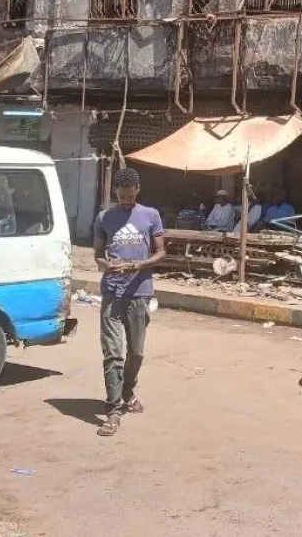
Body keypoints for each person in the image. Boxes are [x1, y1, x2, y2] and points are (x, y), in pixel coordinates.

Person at [93, 167, 165, 437]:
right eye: (121, 196)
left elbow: (161, 252)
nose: (125, 200)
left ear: (138, 190)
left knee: (136, 353)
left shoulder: (151, 215)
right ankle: (113, 412)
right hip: (112, 293)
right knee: (113, 354)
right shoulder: (104, 217)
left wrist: (140, 264)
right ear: (116, 192)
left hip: (139, 292)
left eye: (129, 196)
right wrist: (106, 266)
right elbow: (98, 254)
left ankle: (128, 392)